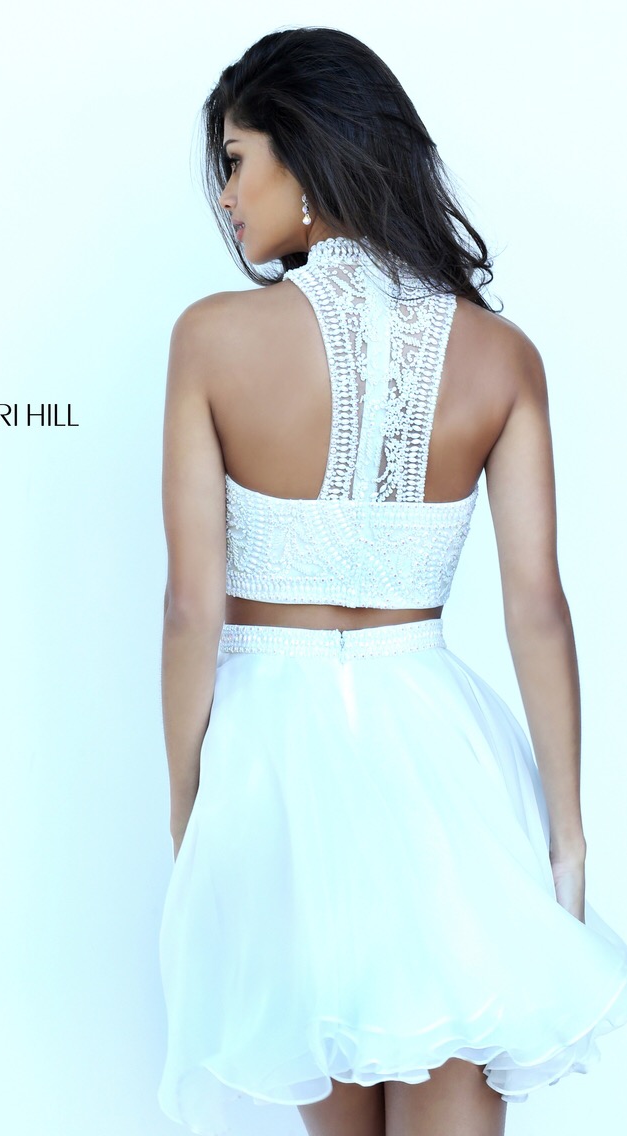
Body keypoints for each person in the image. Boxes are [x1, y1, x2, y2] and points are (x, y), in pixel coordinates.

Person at [157, 25, 627, 1136]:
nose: (225, 195)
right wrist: (566, 837)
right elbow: (537, 605)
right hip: (443, 756)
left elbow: (190, 608)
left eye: (236, 159)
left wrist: (188, 811)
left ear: (304, 154)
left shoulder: (212, 339)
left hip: (275, 763)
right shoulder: (500, 356)